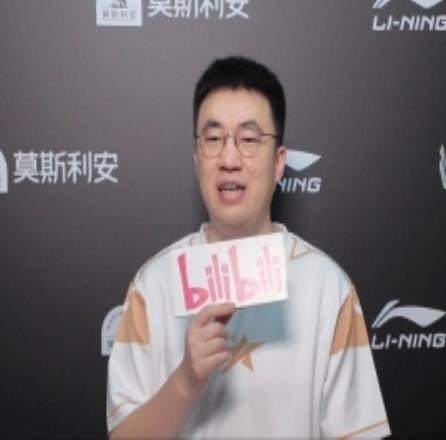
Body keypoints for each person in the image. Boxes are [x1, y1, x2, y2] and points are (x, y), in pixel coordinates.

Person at [106, 55, 391, 438]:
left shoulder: (328, 287)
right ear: (196, 158)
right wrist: (185, 382)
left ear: (279, 163)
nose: (229, 159)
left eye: (249, 139)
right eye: (213, 139)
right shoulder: (152, 286)